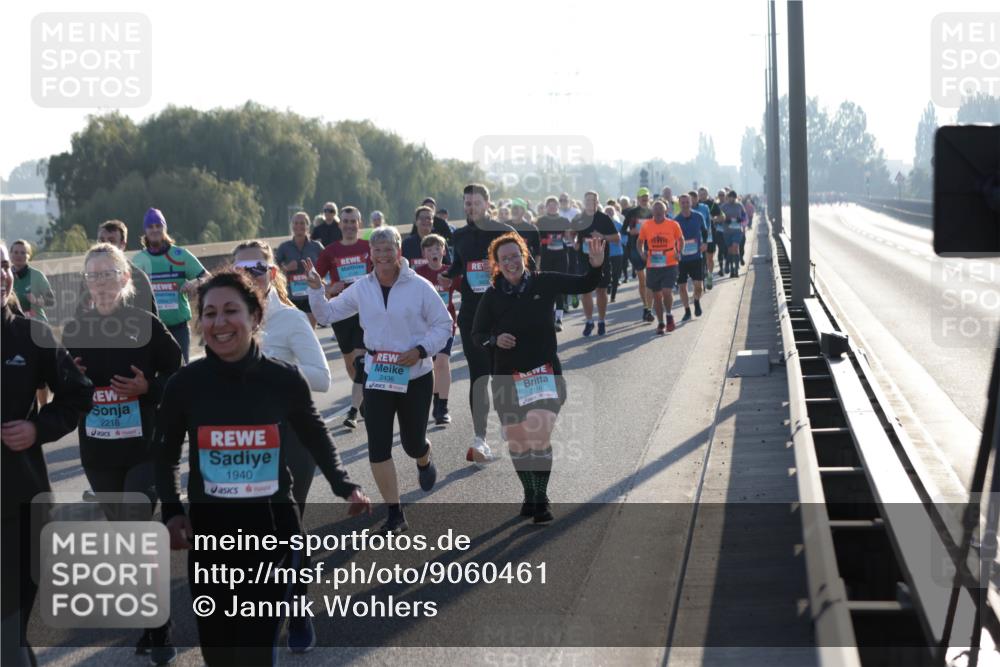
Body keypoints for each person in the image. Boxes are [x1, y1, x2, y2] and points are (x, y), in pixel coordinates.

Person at [155, 270, 371, 667]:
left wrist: (345, 484)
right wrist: (171, 511)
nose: (219, 323)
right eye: (209, 313)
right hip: (212, 534)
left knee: (255, 650)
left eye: (231, 311)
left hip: (272, 528)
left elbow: (315, 434)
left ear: (256, 316)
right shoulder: (184, 385)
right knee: (219, 652)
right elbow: (165, 453)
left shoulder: (282, 379)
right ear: (200, 322)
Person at [62, 243, 182, 664]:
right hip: (98, 453)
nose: (101, 283)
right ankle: (153, 623)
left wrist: (149, 388)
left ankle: (159, 624)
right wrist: (70, 378)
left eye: (108, 274)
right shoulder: (75, 329)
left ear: (125, 278)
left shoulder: (145, 324)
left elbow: (177, 370)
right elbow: (63, 390)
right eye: (93, 276)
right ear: (86, 283)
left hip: (144, 449)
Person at [305, 226, 452, 535]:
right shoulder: (362, 287)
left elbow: (444, 325)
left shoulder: (420, 287)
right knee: (378, 446)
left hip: (415, 374)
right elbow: (327, 315)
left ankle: (423, 459)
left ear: (398, 251)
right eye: (377, 250)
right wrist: (316, 289)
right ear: (369, 255)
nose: (383, 255)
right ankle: (394, 512)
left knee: (412, 444)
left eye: (389, 249)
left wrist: (421, 349)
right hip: (378, 375)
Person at [232, 240, 331, 653]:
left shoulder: (290, 320)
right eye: (240, 269)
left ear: (272, 273)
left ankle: (297, 612)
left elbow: (322, 378)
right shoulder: (226, 318)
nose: (248, 275)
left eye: (257, 268)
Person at [471, 233, 606, 524]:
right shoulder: (492, 296)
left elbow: (584, 283)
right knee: (518, 441)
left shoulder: (544, 282)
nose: (510, 262)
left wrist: (595, 266)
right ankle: (530, 493)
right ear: (496, 265)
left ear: (524, 255)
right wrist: (495, 340)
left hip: (544, 372)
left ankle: (541, 497)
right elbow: (477, 335)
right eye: (503, 259)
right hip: (507, 377)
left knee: (539, 433)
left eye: (514, 255)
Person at [1, 242, 93, 667]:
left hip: (20, 503)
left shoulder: (32, 333)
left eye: (3, 265)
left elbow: (78, 393)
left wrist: (38, 428)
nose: (1, 273)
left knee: (8, 633)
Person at [438, 183, 516, 466]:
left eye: (475, 203)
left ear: (487, 203)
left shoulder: (504, 232)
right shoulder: (459, 235)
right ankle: (480, 438)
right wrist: (448, 275)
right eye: (467, 203)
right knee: (479, 375)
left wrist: (497, 267)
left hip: (502, 312)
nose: (470, 208)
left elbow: (523, 267)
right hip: (473, 314)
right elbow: (459, 265)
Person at [315, 206, 371, 429]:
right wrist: (329, 288)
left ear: (360, 223)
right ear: (340, 225)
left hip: (365, 309)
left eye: (353, 221)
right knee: (350, 362)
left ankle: (354, 409)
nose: (349, 225)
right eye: (345, 221)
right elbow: (314, 279)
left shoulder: (368, 247)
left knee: (360, 359)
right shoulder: (330, 251)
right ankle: (363, 400)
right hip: (340, 310)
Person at [133, 208, 210, 363]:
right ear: (145, 231)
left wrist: (197, 282)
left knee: (181, 374)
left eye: (158, 225)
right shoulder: (138, 260)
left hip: (178, 329)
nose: (155, 230)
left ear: (165, 228)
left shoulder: (181, 256)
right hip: (150, 329)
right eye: (150, 226)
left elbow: (209, 278)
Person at [414, 234, 460, 425]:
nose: (434, 252)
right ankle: (432, 400)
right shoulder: (418, 273)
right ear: (424, 253)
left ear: (443, 251)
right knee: (429, 367)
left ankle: (442, 407)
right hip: (423, 327)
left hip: (445, 325)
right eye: (429, 249)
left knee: (442, 363)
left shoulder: (450, 271)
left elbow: (468, 289)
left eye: (437, 248)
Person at [571, 192, 619, 336]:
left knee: (601, 291)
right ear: (584, 202)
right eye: (588, 200)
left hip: (601, 260)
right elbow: (573, 235)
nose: (591, 203)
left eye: (593, 200)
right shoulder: (578, 218)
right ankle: (589, 321)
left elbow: (617, 237)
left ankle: (602, 321)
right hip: (584, 259)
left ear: (597, 202)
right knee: (585, 291)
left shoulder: (604, 218)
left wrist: (603, 236)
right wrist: (575, 243)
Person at [638, 200, 684, 334]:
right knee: (657, 296)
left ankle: (669, 314)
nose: (658, 212)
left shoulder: (673, 224)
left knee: (666, 291)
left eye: (660, 209)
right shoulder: (647, 225)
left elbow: (680, 239)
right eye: (655, 209)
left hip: (670, 262)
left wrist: (679, 252)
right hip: (653, 264)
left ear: (666, 211)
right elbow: (639, 241)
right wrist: (641, 252)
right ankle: (661, 322)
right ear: (652, 212)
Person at [275, 211, 325, 327]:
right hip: (291, 296)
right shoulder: (284, 247)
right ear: (292, 226)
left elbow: (328, 264)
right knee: (294, 330)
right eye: (296, 223)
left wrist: (321, 277)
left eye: (302, 223)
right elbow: (273, 269)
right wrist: (286, 268)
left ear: (308, 226)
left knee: (310, 331)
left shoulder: (316, 246)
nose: (299, 226)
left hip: (311, 294)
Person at [536, 196, 571, 331]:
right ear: (546, 207)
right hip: (546, 257)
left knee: (559, 288)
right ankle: (549, 317)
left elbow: (569, 237)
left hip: (561, 257)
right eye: (549, 205)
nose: (552, 207)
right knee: (547, 289)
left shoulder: (564, 220)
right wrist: (547, 241)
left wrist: (569, 237)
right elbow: (537, 239)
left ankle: (559, 319)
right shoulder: (541, 221)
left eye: (554, 205)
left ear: (558, 207)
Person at [622, 188, 656, 323]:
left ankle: (649, 309)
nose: (644, 198)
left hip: (652, 248)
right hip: (635, 248)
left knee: (651, 280)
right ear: (637, 198)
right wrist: (631, 231)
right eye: (642, 196)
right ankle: (646, 307)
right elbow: (623, 230)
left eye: (646, 196)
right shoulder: (631, 213)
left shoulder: (653, 212)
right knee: (643, 279)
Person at [673, 194, 707, 322]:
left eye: (687, 202)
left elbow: (704, 231)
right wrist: (676, 251)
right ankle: (687, 311)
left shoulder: (698, 216)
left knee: (698, 286)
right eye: (682, 203)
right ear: (679, 204)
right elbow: (673, 238)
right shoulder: (676, 220)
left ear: (691, 203)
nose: (685, 204)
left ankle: (696, 300)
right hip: (682, 259)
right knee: (682, 286)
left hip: (696, 256)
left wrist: (704, 243)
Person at [9, 240, 54, 322]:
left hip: (37, 325)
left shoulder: (37, 276)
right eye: (15, 252)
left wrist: (36, 301)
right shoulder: (6, 277)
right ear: (10, 255)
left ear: (29, 256)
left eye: (23, 253)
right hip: (15, 326)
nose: (19, 255)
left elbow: (51, 301)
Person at [721, 190, 748, 278]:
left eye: (734, 197)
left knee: (735, 248)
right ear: (728, 197)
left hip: (737, 231)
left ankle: (736, 270)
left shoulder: (739, 205)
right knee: (730, 250)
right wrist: (725, 219)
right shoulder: (724, 206)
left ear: (736, 198)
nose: (732, 199)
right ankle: (728, 265)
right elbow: (719, 217)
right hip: (727, 231)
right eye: (730, 197)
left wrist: (741, 220)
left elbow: (744, 215)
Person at [604, 205, 626, 302]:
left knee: (616, 274)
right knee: (607, 274)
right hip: (606, 253)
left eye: (611, 212)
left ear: (614, 213)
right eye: (607, 212)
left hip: (617, 253)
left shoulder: (618, 225)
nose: (609, 214)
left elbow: (625, 238)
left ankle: (613, 296)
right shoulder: (602, 226)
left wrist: (620, 241)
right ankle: (608, 287)